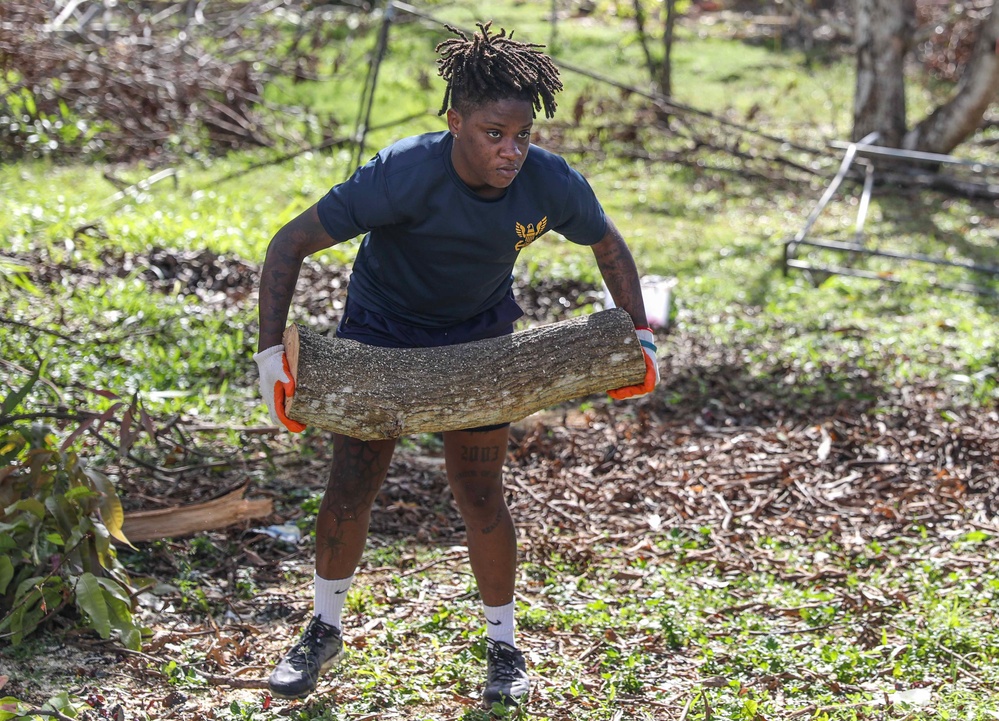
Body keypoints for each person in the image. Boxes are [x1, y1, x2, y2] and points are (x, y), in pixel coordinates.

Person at [253, 20, 660, 710]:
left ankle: (503, 645)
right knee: (351, 487)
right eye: (493, 134)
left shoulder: (547, 180)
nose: (511, 151)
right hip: (379, 339)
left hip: (479, 341)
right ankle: (322, 628)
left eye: (521, 135)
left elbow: (611, 248)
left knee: (479, 496)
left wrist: (640, 338)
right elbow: (288, 243)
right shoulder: (400, 174)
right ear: (455, 123)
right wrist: (269, 356)